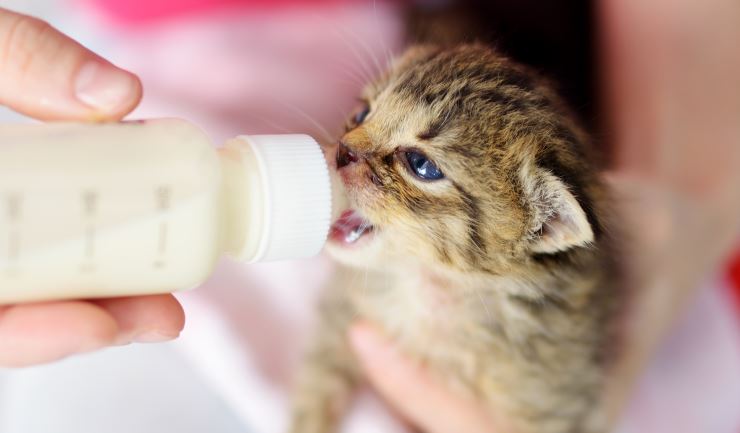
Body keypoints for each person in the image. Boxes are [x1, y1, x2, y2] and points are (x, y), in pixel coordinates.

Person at [0, 1, 739, 432]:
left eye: (418, 164)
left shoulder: (541, 310)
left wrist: (697, 187)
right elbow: (330, 344)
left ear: (540, 227)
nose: (347, 149)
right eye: (360, 116)